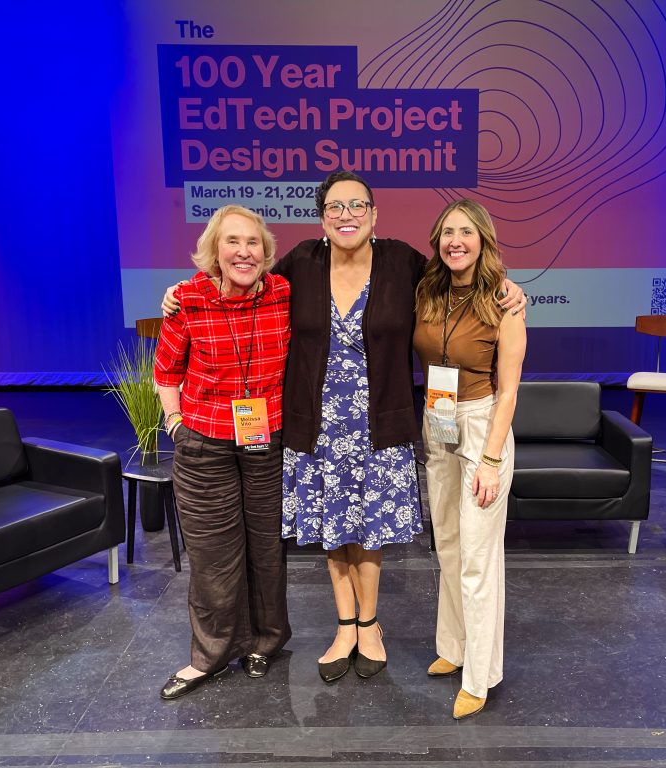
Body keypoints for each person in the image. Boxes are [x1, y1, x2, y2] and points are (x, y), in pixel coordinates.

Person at [162, 173, 527, 684]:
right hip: (315, 423)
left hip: (381, 421)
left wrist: (506, 287)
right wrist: (179, 294)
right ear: (322, 217)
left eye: (357, 205)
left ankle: (371, 623)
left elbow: (456, 274)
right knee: (331, 525)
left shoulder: (402, 263)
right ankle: (345, 625)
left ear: (375, 214)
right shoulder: (300, 265)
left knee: (370, 526)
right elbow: (240, 283)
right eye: (335, 206)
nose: (346, 214)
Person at [154, 205, 292, 700]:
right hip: (205, 442)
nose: (244, 251)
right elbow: (166, 371)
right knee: (213, 555)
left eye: (253, 242)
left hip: (265, 440)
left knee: (266, 549)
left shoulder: (283, 293)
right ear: (215, 249)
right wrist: (175, 423)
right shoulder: (186, 300)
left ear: (265, 251)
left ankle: (266, 641)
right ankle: (210, 655)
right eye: (233, 241)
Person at [412, 199, 526, 720]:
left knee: (480, 558)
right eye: (446, 233)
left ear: (483, 238)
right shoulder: (429, 291)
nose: (455, 241)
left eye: (465, 232)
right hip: (438, 419)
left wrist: (490, 459)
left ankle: (480, 676)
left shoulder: (505, 300)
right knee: (450, 546)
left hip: (482, 425)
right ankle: (453, 648)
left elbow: (508, 392)